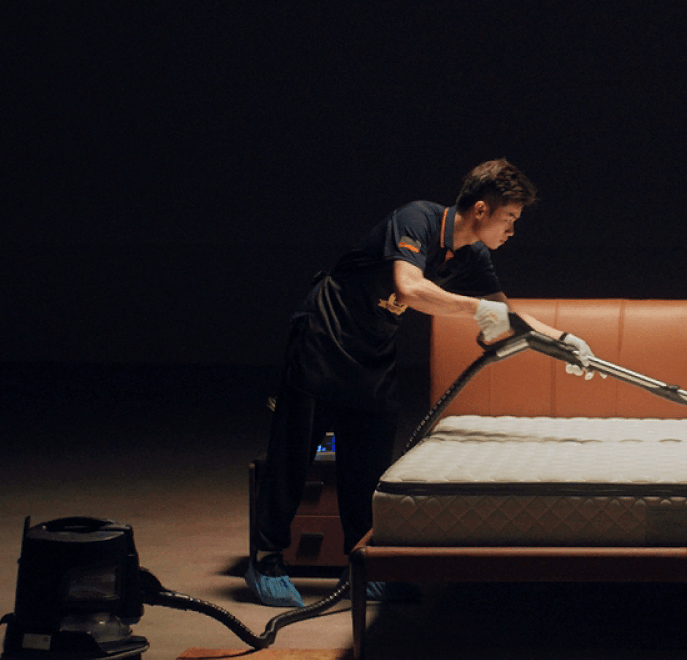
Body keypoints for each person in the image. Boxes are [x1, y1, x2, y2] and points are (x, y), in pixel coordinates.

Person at [249, 159, 595, 607]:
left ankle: (362, 565)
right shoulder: (417, 219)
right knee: (294, 453)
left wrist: (563, 342)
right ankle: (266, 562)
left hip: (374, 351)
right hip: (324, 336)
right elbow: (409, 288)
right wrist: (478, 310)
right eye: (509, 218)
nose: (513, 230)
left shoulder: (473, 256)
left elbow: (506, 317)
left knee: (370, 464)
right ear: (481, 210)